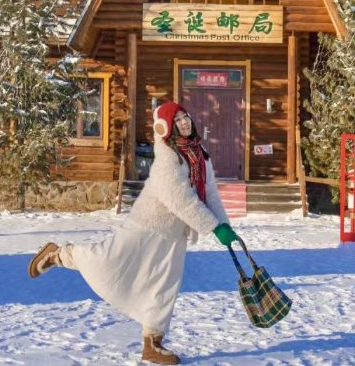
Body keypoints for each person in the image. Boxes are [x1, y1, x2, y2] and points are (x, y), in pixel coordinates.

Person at [28, 102, 238, 365]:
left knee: (164, 286)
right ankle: (59, 254)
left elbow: (211, 193)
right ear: (165, 128)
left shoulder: (199, 154)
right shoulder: (167, 158)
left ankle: (153, 344)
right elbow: (180, 199)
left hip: (174, 233)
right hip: (147, 224)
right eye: (177, 120)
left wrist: (225, 225)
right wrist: (213, 226)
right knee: (107, 260)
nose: (185, 122)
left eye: (186, 116)